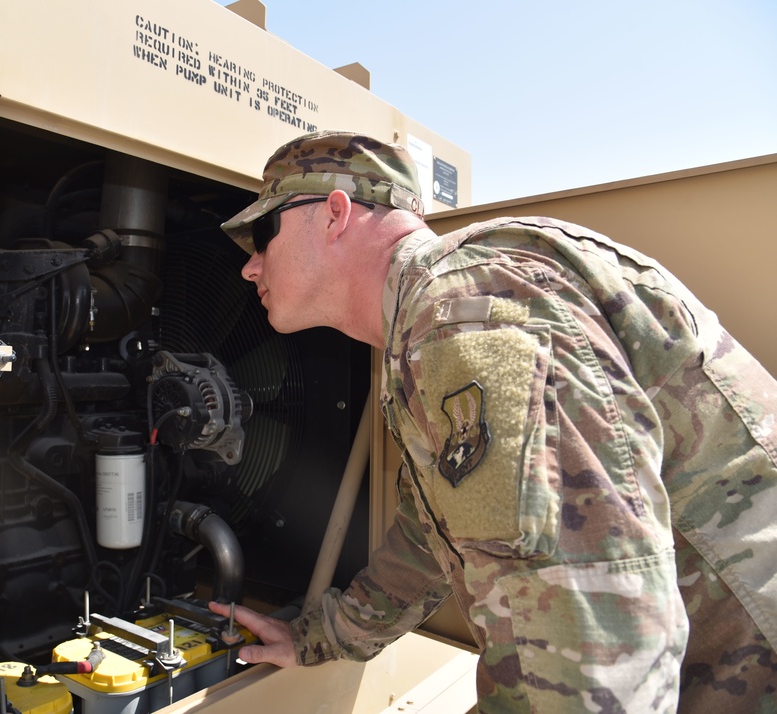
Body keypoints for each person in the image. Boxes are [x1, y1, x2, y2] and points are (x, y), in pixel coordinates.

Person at [207, 130, 777, 712]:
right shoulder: (443, 312)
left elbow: (589, 636)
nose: (250, 267)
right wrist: (321, 636)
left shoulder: (466, 316)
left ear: (334, 214)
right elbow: (434, 532)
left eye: (263, 234)